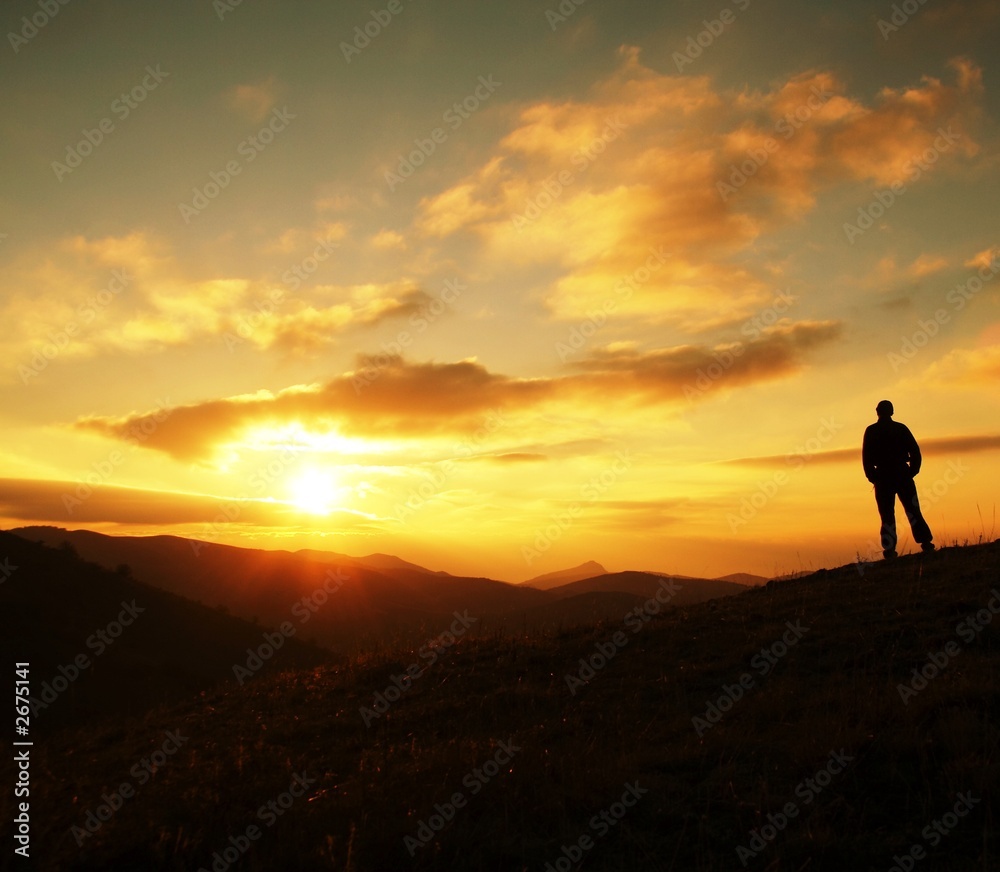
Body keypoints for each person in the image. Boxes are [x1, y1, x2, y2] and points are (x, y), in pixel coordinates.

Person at [862, 400, 934, 559]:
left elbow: (866, 458)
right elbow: (915, 451)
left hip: (885, 476)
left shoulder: (872, 430)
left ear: (877, 411)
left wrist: (873, 477)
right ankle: (925, 543)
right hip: (900, 474)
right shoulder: (900, 428)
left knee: (887, 515)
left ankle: (890, 550)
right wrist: (911, 472)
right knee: (913, 510)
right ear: (892, 412)